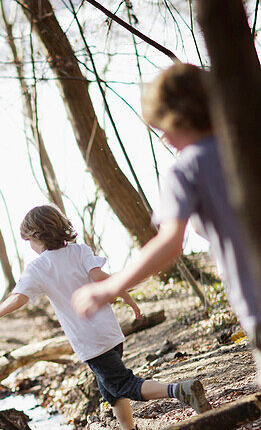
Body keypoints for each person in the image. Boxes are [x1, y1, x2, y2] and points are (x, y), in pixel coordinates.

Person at [73, 63, 260, 381]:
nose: (162, 136)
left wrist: (110, 288)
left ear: (181, 115)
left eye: (163, 125)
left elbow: (170, 243)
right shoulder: (250, 142)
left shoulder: (186, 169)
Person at [0, 205, 211, 430]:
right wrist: (127, 296)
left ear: (38, 235)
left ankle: (180, 390)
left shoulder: (39, 267)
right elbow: (101, 277)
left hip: (89, 340)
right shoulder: (79, 251)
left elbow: (19, 297)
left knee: (123, 384)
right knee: (110, 389)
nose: (29, 245)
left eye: (28, 239)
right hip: (110, 331)